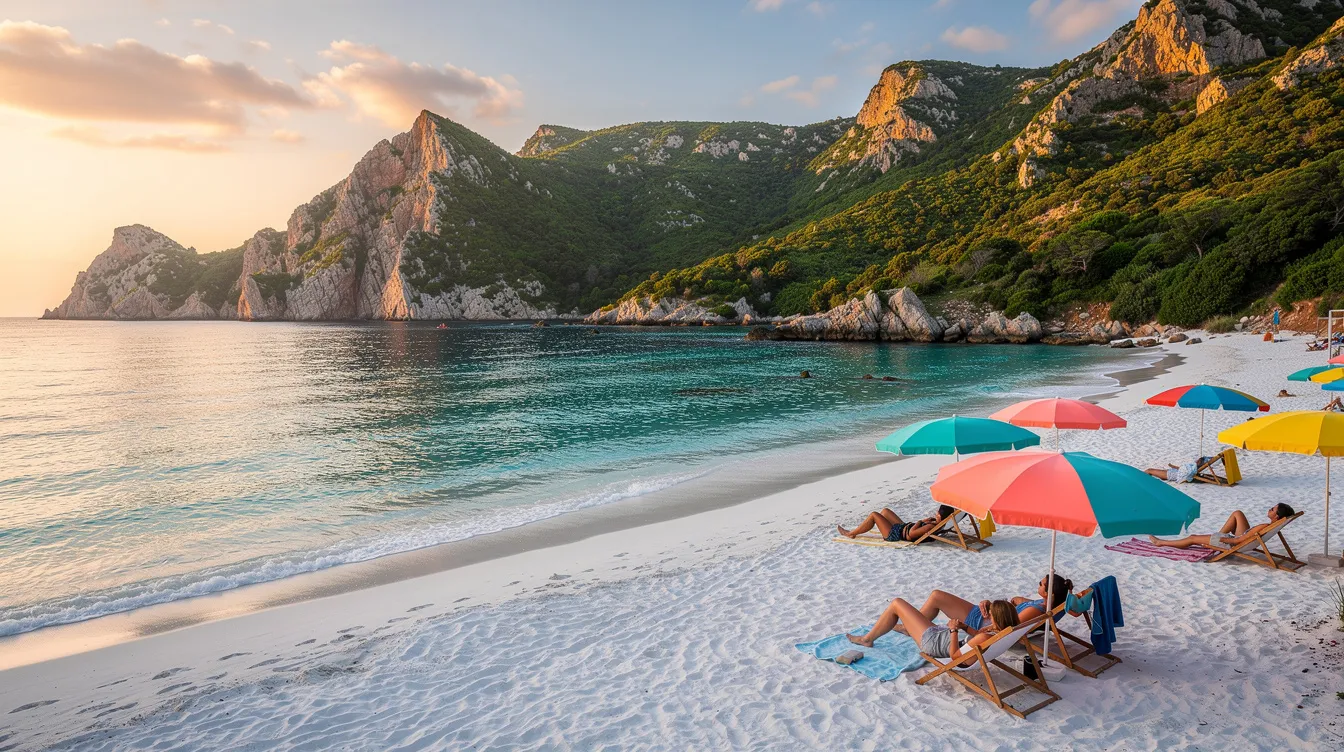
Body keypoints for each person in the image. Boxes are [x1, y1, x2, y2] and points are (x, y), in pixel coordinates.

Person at [847, 597, 1021, 666]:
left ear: (998, 618)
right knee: (906, 607)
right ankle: (903, 629)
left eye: (990, 615)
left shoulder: (985, 636)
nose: (988, 618)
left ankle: (866, 639)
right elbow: (976, 639)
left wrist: (953, 630)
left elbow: (955, 656)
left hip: (933, 642)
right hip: (944, 636)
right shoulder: (1001, 634)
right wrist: (964, 627)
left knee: (896, 604)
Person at [915, 573, 1075, 635]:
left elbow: (1007, 625)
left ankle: (914, 625)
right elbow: (1021, 605)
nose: (1038, 583)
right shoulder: (1050, 605)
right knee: (937, 596)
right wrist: (1018, 601)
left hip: (979, 622)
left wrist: (991, 607)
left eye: (1041, 584)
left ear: (1049, 594)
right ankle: (915, 622)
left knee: (937, 596)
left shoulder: (1035, 611)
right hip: (987, 616)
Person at [1148, 503, 1296, 550]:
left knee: (1192, 538)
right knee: (1237, 513)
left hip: (1233, 542)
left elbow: (1238, 542)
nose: (1269, 509)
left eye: (1272, 509)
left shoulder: (1263, 527)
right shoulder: (1270, 526)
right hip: (1243, 537)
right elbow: (1245, 537)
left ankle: (1160, 542)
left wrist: (1223, 541)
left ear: (1276, 517)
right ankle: (1213, 538)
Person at [837, 504, 954, 543]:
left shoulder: (930, 526)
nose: (935, 514)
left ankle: (851, 533)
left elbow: (912, 534)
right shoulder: (939, 524)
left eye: (937, 514)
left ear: (941, 516)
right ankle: (862, 528)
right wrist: (924, 522)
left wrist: (920, 522)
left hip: (895, 534)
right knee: (885, 511)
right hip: (903, 527)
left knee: (874, 515)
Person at [1145, 457, 1210, 483]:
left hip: (1171, 474)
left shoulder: (1192, 468)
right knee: (1151, 471)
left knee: (1149, 470)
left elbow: (1185, 473)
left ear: (1199, 463)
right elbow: (1183, 469)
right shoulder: (1193, 467)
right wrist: (1174, 466)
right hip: (1172, 472)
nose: (1196, 460)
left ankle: (1141, 479)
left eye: (1198, 460)